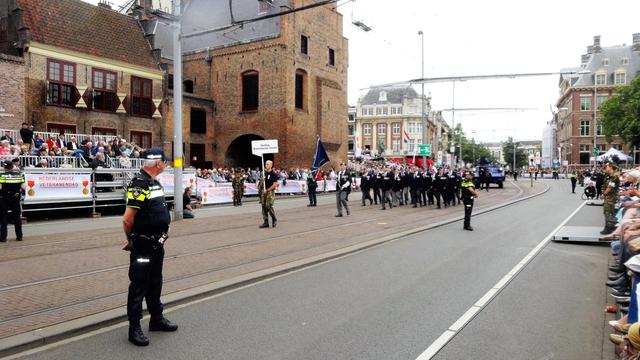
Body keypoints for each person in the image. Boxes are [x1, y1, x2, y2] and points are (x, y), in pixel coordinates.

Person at [122, 149, 178, 346]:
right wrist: (131, 240)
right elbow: (128, 218)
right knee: (139, 284)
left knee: (155, 282)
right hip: (143, 244)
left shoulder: (155, 182)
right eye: (164, 162)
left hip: (157, 243)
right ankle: (134, 327)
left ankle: (156, 319)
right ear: (157, 163)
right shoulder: (140, 183)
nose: (166, 164)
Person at [0, 160, 25, 242]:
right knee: (17, 218)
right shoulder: (18, 175)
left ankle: (3, 237)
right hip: (15, 198)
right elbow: (23, 187)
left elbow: (0, 187)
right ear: (12, 167)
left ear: (4, 167)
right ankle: (19, 236)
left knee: (3, 218)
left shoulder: (2, 176)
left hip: (4, 198)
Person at [601, 162, 620, 235]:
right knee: (608, 211)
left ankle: (609, 228)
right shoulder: (609, 175)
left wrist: (604, 193)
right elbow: (605, 185)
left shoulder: (614, 176)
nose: (605, 167)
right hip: (608, 197)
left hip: (611, 197)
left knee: (608, 212)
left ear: (611, 167)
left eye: (607, 166)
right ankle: (610, 227)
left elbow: (610, 187)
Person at [259, 160, 278, 228]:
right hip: (263, 192)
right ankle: (266, 222)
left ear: (271, 165)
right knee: (263, 207)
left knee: (269, 206)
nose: (266, 165)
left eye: (267, 164)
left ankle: (274, 219)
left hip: (270, 192)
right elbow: (259, 185)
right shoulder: (263, 173)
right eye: (265, 164)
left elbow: (275, 185)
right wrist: (262, 180)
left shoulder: (274, 174)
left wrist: (267, 190)